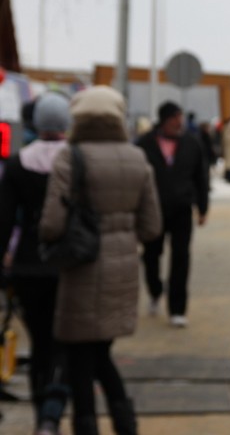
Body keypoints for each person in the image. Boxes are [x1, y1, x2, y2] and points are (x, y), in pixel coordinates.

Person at [39, 86, 162, 435]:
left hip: (81, 269)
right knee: (97, 351)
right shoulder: (137, 159)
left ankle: (87, 424)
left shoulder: (69, 157)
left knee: (81, 353)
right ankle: (125, 422)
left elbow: (51, 225)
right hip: (122, 271)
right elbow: (152, 227)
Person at [0, 92, 71, 435]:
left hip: (28, 264)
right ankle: (52, 414)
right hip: (66, 264)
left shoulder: (16, 164)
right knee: (63, 340)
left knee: (39, 339)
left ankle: (40, 406)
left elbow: (4, 219)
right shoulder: (75, 162)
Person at [136, 101, 210, 328]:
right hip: (153, 210)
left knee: (181, 258)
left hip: (181, 209)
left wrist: (203, 207)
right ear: (164, 120)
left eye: (180, 118)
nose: (179, 123)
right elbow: (136, 177)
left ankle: (178, 308)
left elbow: (201, 176)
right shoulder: (145, 143)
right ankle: (156, 290)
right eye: (174, 119)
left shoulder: (191, 143)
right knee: (151, 255)